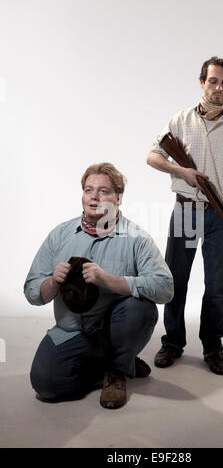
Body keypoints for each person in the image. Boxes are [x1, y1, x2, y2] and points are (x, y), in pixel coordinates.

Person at [24, 162, 173, 409]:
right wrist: (52, 281)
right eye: (88, 190)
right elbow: (31, 291)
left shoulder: (137, 238)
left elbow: (165, 287)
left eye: (103, 191)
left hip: (115, 329)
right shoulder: (60, 235)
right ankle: (113, 366)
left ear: (118, 198)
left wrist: (110, 281)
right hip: (71, 331)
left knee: (141, 308)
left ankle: (117, 370)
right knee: (46, 386)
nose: (94, 197)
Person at [147, 56, 223, 375]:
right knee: (176, 279)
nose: (219, 87)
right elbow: (153, 156)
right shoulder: (180, 119)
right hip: (185, 210)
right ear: (202, 81)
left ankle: (212, 346)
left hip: (218, 217)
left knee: (217, 284)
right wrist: (182, 171)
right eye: (213, 81)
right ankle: (173, 342)